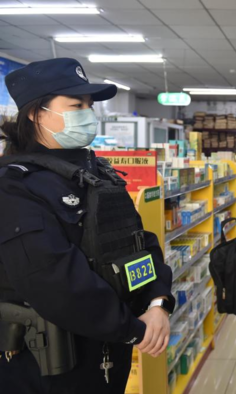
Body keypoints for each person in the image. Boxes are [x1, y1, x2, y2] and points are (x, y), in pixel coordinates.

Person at [0, 58, 175, 394]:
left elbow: (142, 244)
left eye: (89, 105)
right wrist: (135, 329)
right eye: (75, 104)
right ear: (37, 113)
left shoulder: (98, 173)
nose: (87, 113)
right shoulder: (16, 187)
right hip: (50, 368)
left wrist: (158, 303)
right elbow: (56, 282)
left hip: (110, 355)